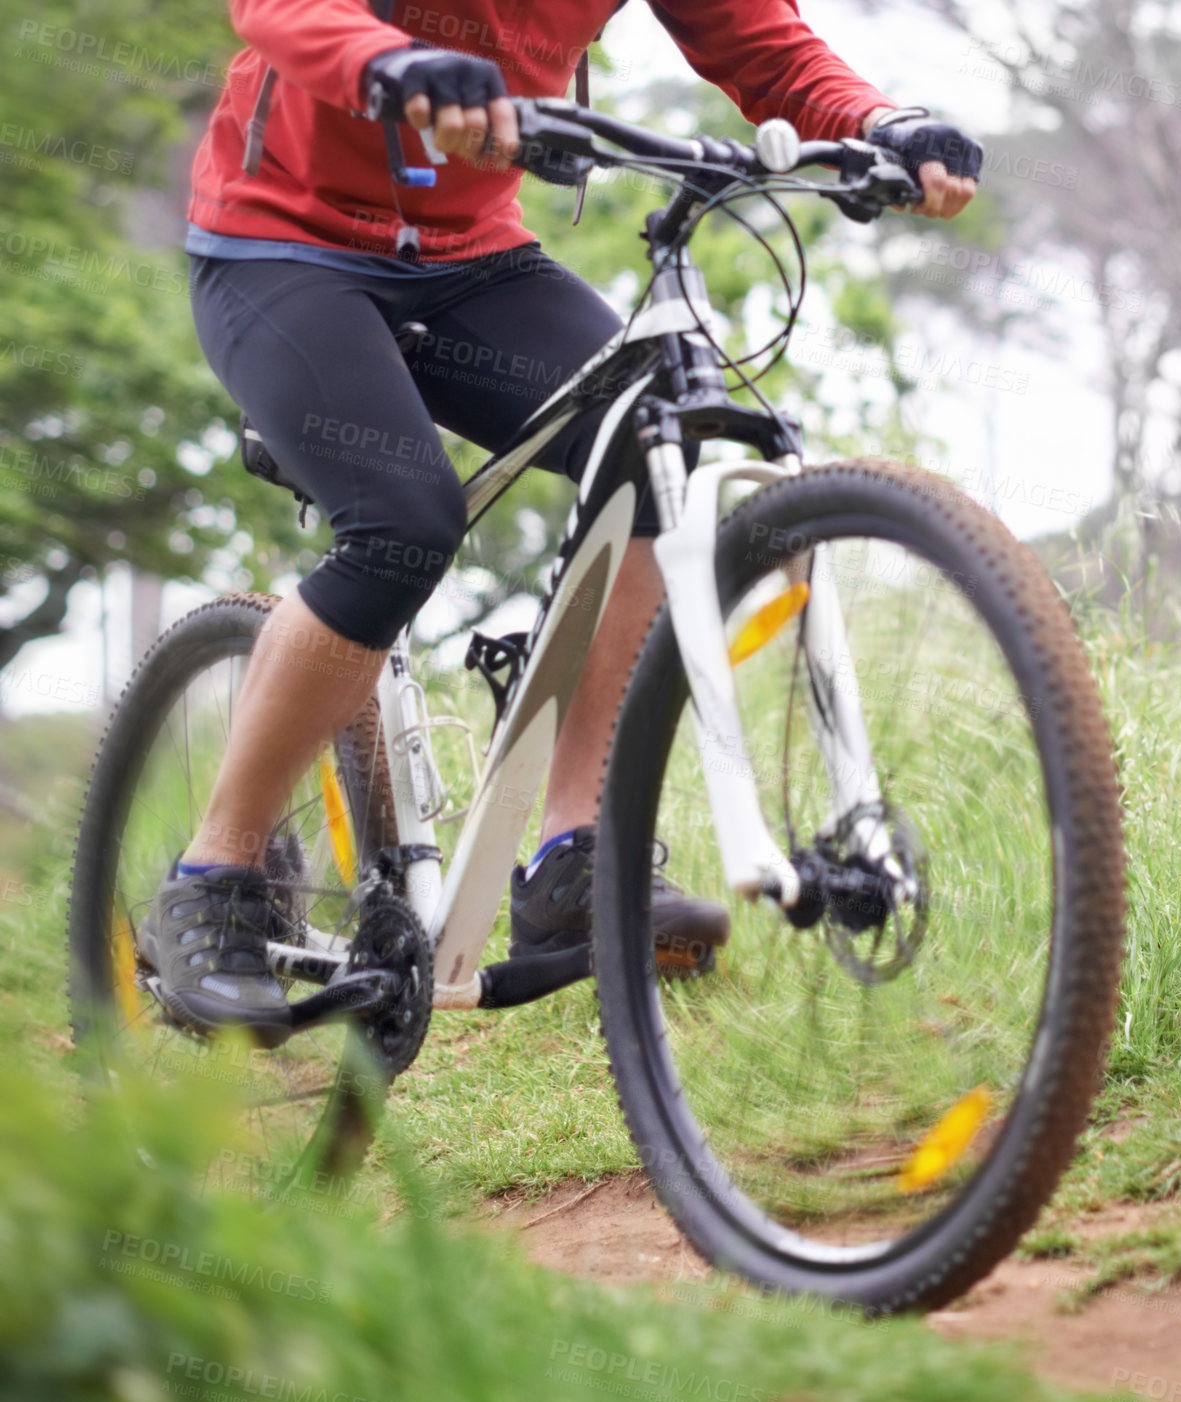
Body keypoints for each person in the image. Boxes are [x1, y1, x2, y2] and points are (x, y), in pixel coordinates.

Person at [139, 0, 981, 1045]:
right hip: (282, 249)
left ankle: (567, 862)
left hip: (471, 256)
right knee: (402, 523)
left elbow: (757, 38)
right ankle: (215, 876)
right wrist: (397, 65)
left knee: (649, 435)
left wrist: (877, 121)